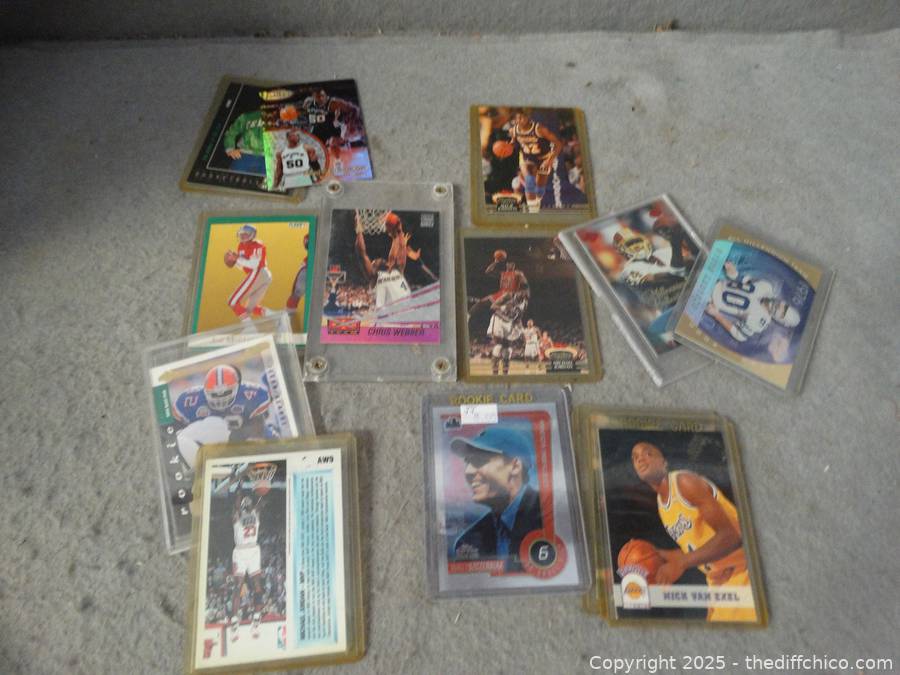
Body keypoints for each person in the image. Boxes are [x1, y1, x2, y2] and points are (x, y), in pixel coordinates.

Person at [630, 441, 757, 622]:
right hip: (718, 581)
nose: (640, 459)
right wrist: (657, 554)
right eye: (635, 457)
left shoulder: (684, 483)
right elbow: (695, 549)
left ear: (664, 461)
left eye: (648, 453)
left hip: (741, 570)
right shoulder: (661, 505)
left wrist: (681, 564)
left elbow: (732, 536)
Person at [450, 426, 543, 572]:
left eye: (480, 459)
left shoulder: (549, 516)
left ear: (515, 466)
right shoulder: (468, 542)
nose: (468, 471)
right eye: (467, 462)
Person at [704, 261, 800, 343]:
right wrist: (733, 272)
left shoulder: (761, 320)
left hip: (709, 298)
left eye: (782, 313)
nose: (780, 308)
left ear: (779, 320)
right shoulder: (767, 287)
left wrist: (716, 315)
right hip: (716, 279)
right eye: (785, 307)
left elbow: (740, 335)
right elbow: (743, 280)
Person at [508, 108, 563, 213]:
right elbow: (514, 142)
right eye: (517, 118)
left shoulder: (540, 129)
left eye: (522, 117)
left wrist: (550, 160)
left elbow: (558, 144)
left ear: (528, 117)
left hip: (543, 158)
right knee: (529, 180)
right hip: (527, 158)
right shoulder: (513, 130)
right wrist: (508, 147)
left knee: (539, 190)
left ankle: (535, 204)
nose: (519, 120)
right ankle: (533, 212)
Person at [229, 492, 266, 641]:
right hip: (240, 551)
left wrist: (262, 492)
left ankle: (256, 618)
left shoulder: (255, 514)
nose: (249, 504)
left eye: (250, 503)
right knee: (238, 586)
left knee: (258, 585)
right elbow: (236, 507)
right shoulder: (237, 516)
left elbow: (260, 504)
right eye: (246, 503)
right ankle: (234, 621)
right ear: (243, 506)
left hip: (253, 550)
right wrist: (239, 492)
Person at [227, 224, 272, 322]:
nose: (243, 236)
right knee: (250, 309)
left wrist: (237, 259)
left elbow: (254, 265)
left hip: (258, 272)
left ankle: (250, 328)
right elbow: (244, 266)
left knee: (232, 301)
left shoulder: (257, 245)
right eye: (242, 234)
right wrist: (234, 262)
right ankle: (278, 317)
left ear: (252, 235)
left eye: (246, 234)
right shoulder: (240, 246)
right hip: (261, 274)